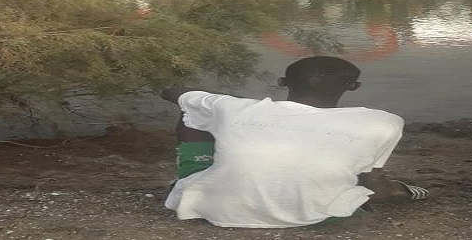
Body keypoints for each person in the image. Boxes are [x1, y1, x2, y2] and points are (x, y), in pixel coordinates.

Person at [162, 56, 425, 229]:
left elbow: (171, 92)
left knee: (194, 113)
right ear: (354, 87)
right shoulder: (383, 121)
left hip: (216, 209)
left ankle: (197, 174)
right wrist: (395, 190)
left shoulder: (235, 108)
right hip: (318, 215)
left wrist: (227, 101)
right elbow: (372, 185)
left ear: (282, 82)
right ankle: (403, 190)